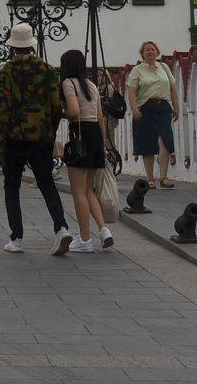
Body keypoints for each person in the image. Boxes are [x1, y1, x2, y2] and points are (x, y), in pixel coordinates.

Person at [0, 23, 73, 256]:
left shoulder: (8, 70)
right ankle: (61, 228)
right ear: (31, 45)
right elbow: (56, 105)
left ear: (13, 47)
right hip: (41, 137)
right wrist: (49, 131)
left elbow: (4, 108)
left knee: (12, 185)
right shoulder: (47, 69)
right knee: (46, 182)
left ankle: (17, 238)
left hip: (14, 137)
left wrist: (0, 142)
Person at [59, 49, 113, 252]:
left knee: (78, 191)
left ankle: (85, 239)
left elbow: (74, 111)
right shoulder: (91, 85)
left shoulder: (68, 83)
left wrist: (59, 113)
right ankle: (104, 230)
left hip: (80, 136)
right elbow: (100, 117)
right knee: (89, 188)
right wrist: (103, 145)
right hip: (96, 136)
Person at [126, 41, 180, 188]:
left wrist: (176, 107)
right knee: (147, 142)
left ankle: (164, 177)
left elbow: (172, 88)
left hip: (163, 107)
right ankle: (150, 179)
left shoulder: (164, 67)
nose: (150, 52)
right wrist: (134, 109)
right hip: (145, 108)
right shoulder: (137, 70)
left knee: (165, 140)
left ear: (157, 52)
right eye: (147, 50)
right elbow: (132, 91)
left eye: (153, 49)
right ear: (142, 54)